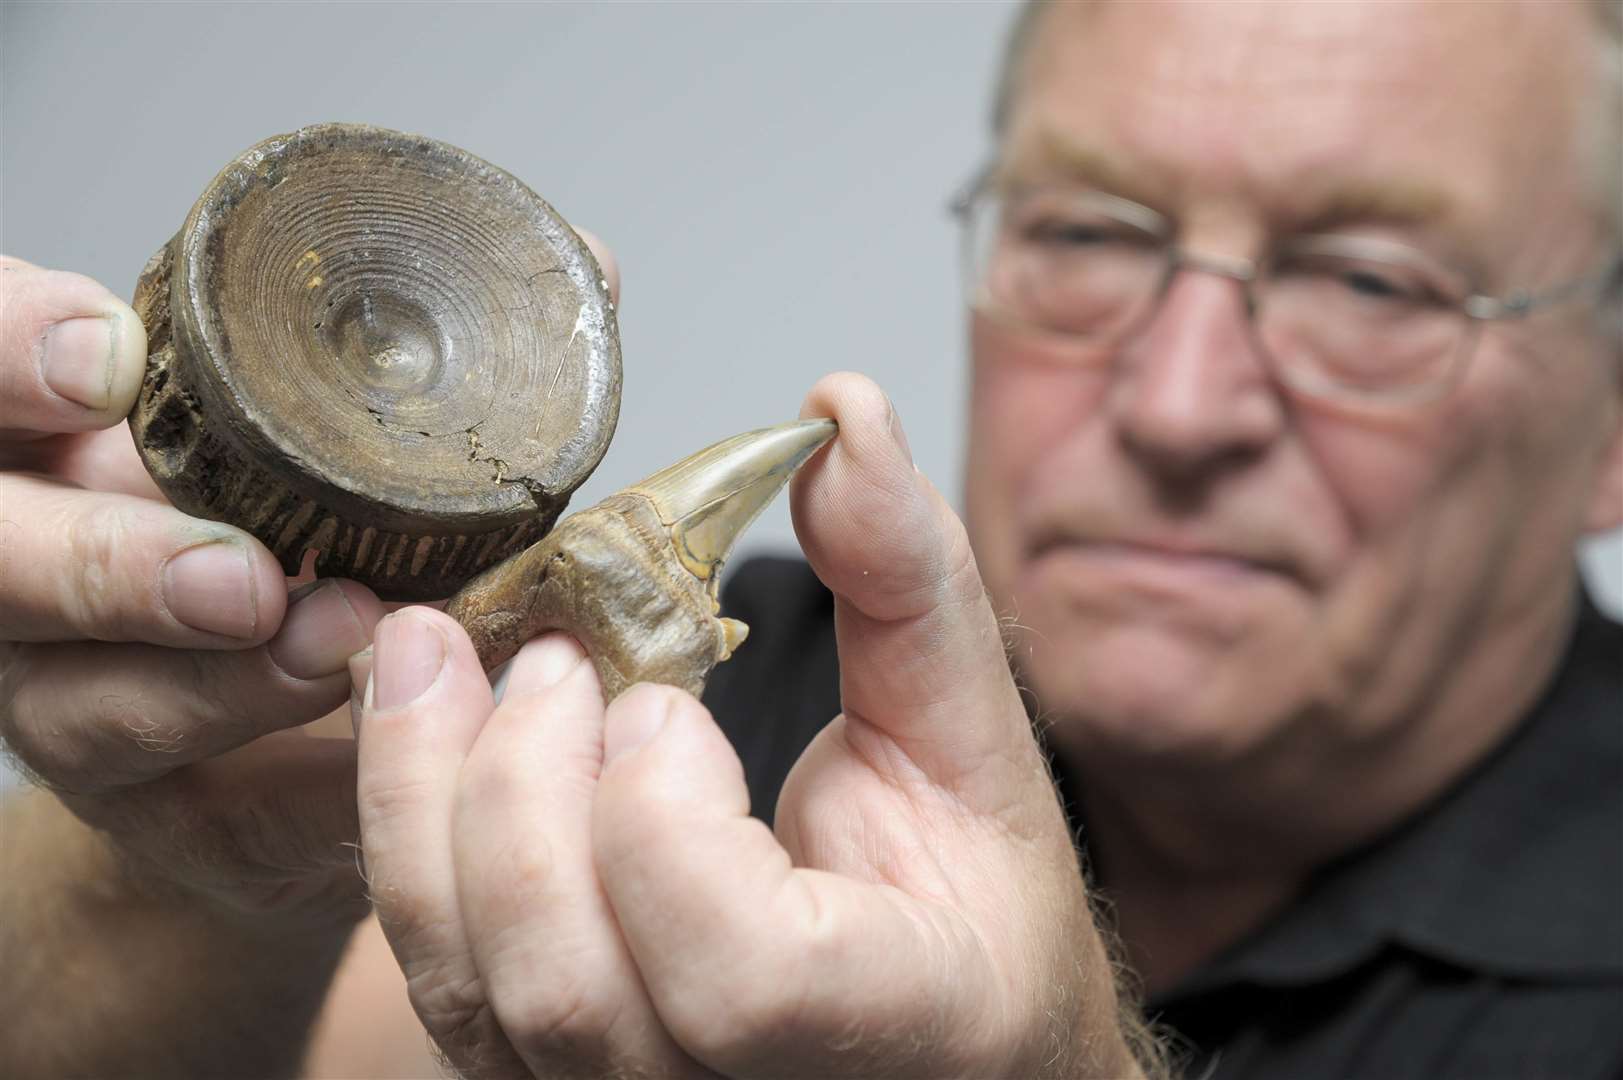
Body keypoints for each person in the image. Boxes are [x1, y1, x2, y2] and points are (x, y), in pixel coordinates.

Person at [2, 0, 1619, 1076]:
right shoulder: (722, 703)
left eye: (1371, 284)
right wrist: (196, 863)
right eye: (1086, 232)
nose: (1179, 404)